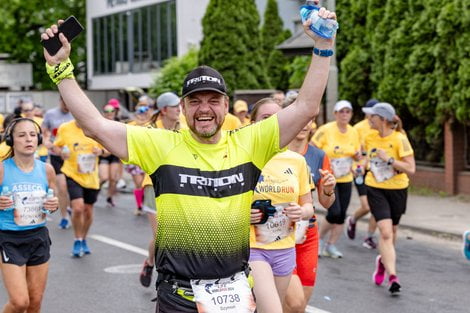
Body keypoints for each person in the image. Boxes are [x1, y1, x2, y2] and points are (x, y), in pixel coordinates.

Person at [41, 5, 336, 311]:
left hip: (234, 295)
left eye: (213, 100)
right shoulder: (160, 145)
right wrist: (62, 70)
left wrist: (323, 46)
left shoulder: (251, 142)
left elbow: (305, 108)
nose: (204, 109)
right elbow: (95, 126)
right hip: (178, 297)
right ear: (182, 107)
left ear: (227, 105)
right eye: (194, 101)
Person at [248, 98, 314, 313]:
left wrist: (300, 211)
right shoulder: (243, 157)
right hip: (252, 248)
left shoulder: (296, 161)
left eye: (276, 118)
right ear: (253, 123)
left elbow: (309, 206)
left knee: (266, 307)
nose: (271, 123)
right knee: (272, 310)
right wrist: (242, 214)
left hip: (285, 249)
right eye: (265, 118)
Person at [283, 95, 336, 313]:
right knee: (292, 301)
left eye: (309, 119)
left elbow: (326, 203)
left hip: (307, 234)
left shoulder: (318, 155)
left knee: (300, 304)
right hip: (278, 233)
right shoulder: (274, 152)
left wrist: (328, 189)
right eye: (299, 118)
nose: (304, 124)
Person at [0, 118, 59, 313]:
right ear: (11, 140)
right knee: (19, 302)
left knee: (34, 303)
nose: (28, 139)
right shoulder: (2, 168)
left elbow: (52, 202)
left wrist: (53, 205)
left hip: (38, 237)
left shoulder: (47, 170)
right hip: (9, 238)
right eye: (22, 135)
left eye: (32, 135)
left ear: (39, 139)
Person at [362, 102, 415, 295]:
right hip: (375, 187)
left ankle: (383, 260)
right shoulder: (368, 137)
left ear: (383, 119)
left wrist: (389, 160)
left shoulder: (400, 139)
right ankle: (393, 276)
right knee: (385, 232)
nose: (370, 119)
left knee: (392, 232)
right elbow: (365, 158)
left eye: (373, 116)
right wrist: (362, 165)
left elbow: (411, 168)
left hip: (398, 189)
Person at [139, 92, 183, 288]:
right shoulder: (150, 131)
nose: (179, 109)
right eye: (175, 106)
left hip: (178, 186)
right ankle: (164, 279)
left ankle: (149, 262)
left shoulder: (184, 130)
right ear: (164, 110)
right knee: (161, 238)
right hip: (153, 186)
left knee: (174, 235)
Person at [313, 100, 361, 258]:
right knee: (334, 212)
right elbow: (312, 148)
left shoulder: (353, 132)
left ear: (351, 114)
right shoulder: (326, 130)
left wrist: (356, 159)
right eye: (341, 112)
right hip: (328, 178)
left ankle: (331, 245)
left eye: (348, 112)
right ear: (335, 114)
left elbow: (357, 152)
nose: (344, 115)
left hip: (345, 177)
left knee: (341, 215)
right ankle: (318, 240)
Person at [53, 120, 106, 257]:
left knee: (88, 211)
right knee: (77, 208)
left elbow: (107, 150)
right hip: (72, 173)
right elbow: (56, 147)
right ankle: (77, 239)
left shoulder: (95, 126)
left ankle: (83, 238)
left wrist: (100, 151)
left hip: (91, 176)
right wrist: (62, 152)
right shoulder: (65, 128)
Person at [345, 99, 379, 249]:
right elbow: (355, 151)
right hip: (360, 170)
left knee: (377, 206)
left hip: (376, 171)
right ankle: (352, 219)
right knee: (366, 206)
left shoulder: (380, 126)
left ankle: (369, 237)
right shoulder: (358, 128)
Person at [42, 97, 74, 229]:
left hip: (73, 156)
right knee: (62, 187)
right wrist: (47, 143)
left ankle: (71, 207)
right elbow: (44, 134)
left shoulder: (75, 114)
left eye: (69, 103)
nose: (67, 106)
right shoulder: (51, 114)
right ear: (60, 101)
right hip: (56, 155)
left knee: (73, 187)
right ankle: (64, 216)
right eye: (64, 103)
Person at [126, 96, 153, 215]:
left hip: (149, 158)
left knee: (145, 184)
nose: (143, 108)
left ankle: (145, 203)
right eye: (141, 106)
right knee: (138, 183)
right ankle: (139, 206)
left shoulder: (152, 122)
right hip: (135, 158)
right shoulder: (132, 124)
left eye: (145, 106)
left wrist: (148, 115)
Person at [99, 104, 123, 208]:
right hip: (104, 154)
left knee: (113, 178)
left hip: (114, 154)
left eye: (112, 111)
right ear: (103, 113)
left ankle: (109, 197)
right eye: (107, 111)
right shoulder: (100, 124)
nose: (109, 113)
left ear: (115, 113)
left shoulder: (119, 124)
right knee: (104, 177)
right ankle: (95, 189)